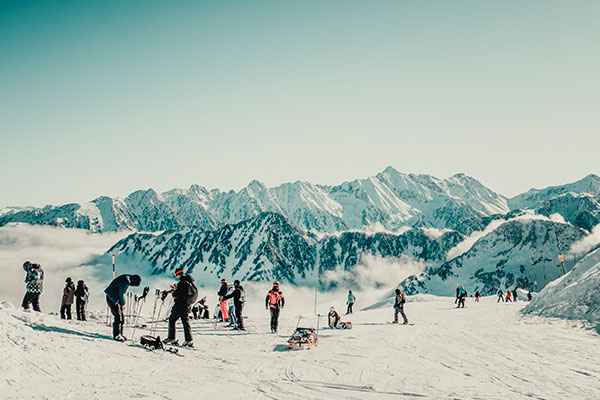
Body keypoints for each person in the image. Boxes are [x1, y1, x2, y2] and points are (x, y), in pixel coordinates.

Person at [164, 268, 198, 347]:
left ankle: (171, 338)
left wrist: (174, 291)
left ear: (177, 275)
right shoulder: (190, 282)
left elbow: (177, 295)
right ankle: (189, 340)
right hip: (188, 305)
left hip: (180, 305)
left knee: (171, 320)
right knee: (185, 322)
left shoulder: (182, 283)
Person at [104, 274, 141, 341]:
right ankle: (117, 335)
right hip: (112, 298)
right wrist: (123, 304)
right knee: (118, 317)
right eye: (133, 285)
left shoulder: (126, 278)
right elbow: (121, 293)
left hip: (114, 297)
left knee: (121, 317)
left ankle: (120, 334)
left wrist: (121, 303)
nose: (132, 286)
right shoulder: (125, 282)